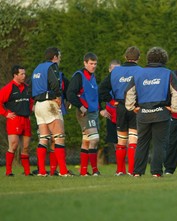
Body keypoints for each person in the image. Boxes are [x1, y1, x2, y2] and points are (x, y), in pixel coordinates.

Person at [125, 47, 177, 177]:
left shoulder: (139, 73)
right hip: (161, 113)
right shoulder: (168, 73)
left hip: (143, 113)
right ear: (164, 59)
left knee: (142, 143)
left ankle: (137, 172)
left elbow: (129, 92)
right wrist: (174, 109)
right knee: (159, 144)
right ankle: (156, 172)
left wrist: (132, 107)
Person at [99, 47, 142, 176]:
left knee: (121, 141)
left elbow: (102, 89)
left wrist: (112, 101)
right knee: (133, 140)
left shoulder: (115, 72)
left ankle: (120, 170)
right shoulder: (141, 71)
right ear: (138, 58)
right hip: (135, 108)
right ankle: (132, 170)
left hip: (121, 107)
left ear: (125, 57)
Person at [31, 47, 71, 177]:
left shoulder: (37, 68)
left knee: (43, 138)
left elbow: (30, 88)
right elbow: (55, 83)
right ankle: (63, 171)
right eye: (59, 56)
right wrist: (58, 96)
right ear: (54, 57)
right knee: (59, 137)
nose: (60, 58)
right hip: (49, 104)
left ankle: (42, 171)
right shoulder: (52, 67)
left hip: (38, 105)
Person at [67, 52, 101, 176]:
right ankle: (95, 171)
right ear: (85, 63)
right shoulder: (79, 76)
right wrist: (81, 106)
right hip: (85, 112)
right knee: (94, 139)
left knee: (86, 141)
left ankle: (83, 171)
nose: (93, 66)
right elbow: (70, 93)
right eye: (91, 63)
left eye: (95, 64)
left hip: (93, 112)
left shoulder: (92, 76)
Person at [0, 65, 33, 176]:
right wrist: (6, 113)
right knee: (13, 145)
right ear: (15, 75)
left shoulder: (27, 87)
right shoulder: (9, 88)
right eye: (21, 74)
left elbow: (31, 101)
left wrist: (30, 112)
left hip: (26, 120)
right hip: (15, 120)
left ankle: (27, 172)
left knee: (26, 147)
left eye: (24, 74)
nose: (24, 76)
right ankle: (8, 171)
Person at [98, 59, 120, 165]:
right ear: (109, 69)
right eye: (113, 69)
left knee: (128, 139)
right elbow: (98, 96)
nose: (116, 72)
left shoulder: (123, 81)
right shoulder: (106, 83)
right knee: (116, 142)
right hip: (111, 115)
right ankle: (120, 167)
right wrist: (101, 110)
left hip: (123, 113)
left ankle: (131, 166)